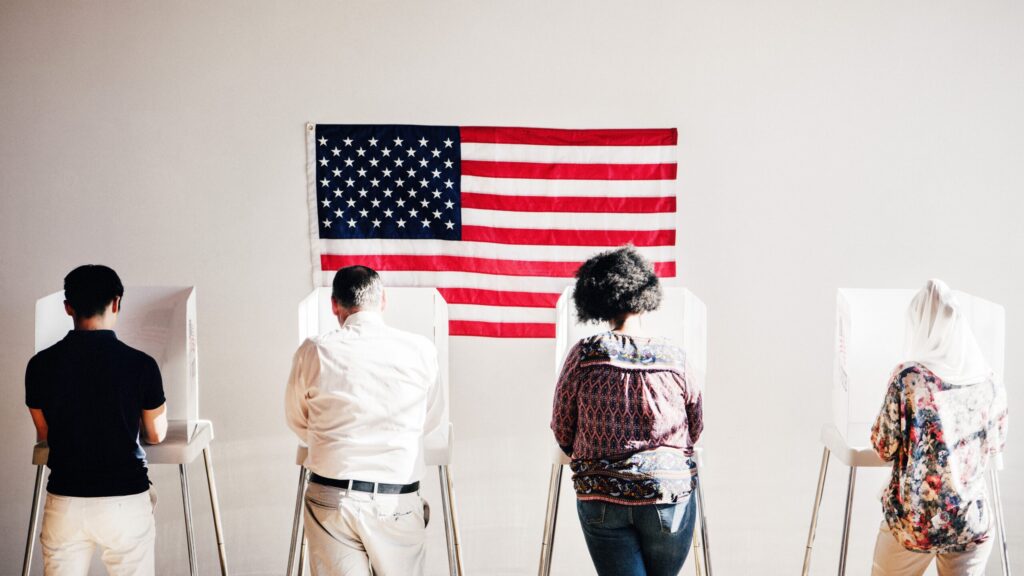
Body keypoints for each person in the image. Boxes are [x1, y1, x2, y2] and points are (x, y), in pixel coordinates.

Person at [550, 246, 704, 576]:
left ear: (597, 299)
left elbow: (562, 426)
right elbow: (696, 424)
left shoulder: (585, 353)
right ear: (644, 295)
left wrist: (583, 448)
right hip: (667, 493)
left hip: (602, 494)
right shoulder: (675, 356)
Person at [285, 265, 444, 576]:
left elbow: (297, 421)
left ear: (334, 305)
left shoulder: (314, 350)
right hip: (396, 498)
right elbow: (430, 418)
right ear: (382, 300)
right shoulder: (421, 349)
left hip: (332, 496)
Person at [25, 265, 168, 576]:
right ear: (116, 303)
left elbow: (44, 432)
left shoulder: (39, 366)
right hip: (125, 501)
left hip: (64, 500)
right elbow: (155, 434)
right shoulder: (142, 365)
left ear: (67, 307)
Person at [870, 279, 1008, 576]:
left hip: (916, 524)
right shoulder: (990, 380)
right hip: (971, 523)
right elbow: (996, 445)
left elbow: (883, 446)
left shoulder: (909, 378)